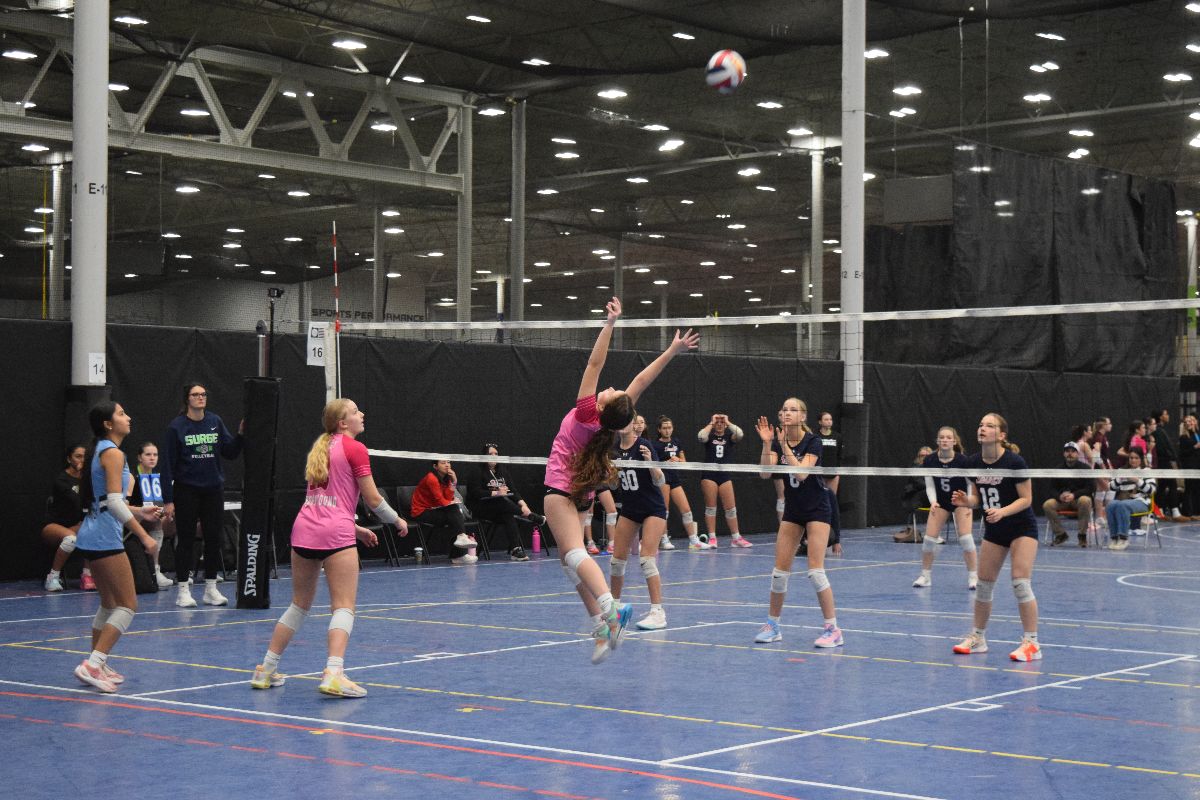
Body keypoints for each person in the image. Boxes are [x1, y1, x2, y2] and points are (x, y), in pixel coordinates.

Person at [542, 297, 698, 664]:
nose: (610, 388)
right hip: (582, 489)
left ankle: (611, 607)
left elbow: (595, 363)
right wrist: (672, 351)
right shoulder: (608, 422)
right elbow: (642, 380)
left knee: (574, 553)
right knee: (568, 560)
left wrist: (610, 323)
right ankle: (601, 626)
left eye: (611, 392)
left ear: (603, 405)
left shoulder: (587, 412)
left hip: (562, 486)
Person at [251, 398, 408, 697]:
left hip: (305, 531)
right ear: (343, 423)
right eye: (355, 411)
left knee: (298, 605)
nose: (362, 414)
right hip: (334, 535)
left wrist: (356, 529)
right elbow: (373, 499)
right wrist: (397, 520)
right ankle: (334, 673)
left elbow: (325, 502)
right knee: (343, 606)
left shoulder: (321, 446)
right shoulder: (355, 448)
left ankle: (265, 669)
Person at [72, 401, 160, 693]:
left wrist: (139, 511)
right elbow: (113, 502)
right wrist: (144, 536)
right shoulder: (112, 453)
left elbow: (108, 501)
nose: (128, 417)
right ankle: (93, 665)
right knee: (128, 605)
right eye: (121, 414)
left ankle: (98, 662)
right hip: (104, 537)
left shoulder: (102, 450)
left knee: (109, 604)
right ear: (108, 424)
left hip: (93, 533)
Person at [951, 413, 1042, 662]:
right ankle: (978, 638)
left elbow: (1026, 499)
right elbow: (978, 497)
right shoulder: (973, 462)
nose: (982, 428)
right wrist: (966, 501)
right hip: (995, 528)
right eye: (981, 424)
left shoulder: (1014, 462)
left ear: (1001, 435)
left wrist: (1002, 512)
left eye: (989, 426)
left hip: (1021, 527)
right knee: (983, 585)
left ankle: (1032, 643)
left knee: (1020, 583)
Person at [752, 397, 841, 647]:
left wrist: (784, 447)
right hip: (794, 510)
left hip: (817, 509)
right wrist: (768, 444)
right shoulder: (777, 441)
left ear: (803, 417)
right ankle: (773, 625)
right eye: (784, 409)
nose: (787, 413)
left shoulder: (813, 441)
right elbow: (765, 473)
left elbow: (802, 473)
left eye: (793, 410)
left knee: (815, 572)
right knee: (779, 574)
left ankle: (833, 629)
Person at [161, 383, 244, 608]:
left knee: (213, 539)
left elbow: (230, 452)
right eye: (195, 394)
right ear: (187, 399)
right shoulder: (176, 427)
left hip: (213, 490)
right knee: (186, 540)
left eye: (203, 394)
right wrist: (168, 500)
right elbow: (167, 466)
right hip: (186, 490)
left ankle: (211, 589)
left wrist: (240, 435)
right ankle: (183, 590)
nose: (200, 397)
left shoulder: (215, 421)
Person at [609, 419, 670, 630]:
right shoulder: (614, 450)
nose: (623, 424)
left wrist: (650, 463)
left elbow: (660, 481)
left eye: (627, 420)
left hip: (653, 508)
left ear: (634, 424)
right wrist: (609, 473)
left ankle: (658, 612)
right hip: (630, 509)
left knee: (646, 559)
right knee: (616, 561)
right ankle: (614, 610)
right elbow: (614, 485)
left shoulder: (643, 445)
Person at [912, 427, 977, 589]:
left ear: (954, 441)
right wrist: (933, 501)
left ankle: (973, 577)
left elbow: (971, 484)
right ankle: (925, 576)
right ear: (938, 441)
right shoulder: (930, 460)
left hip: (960, 501)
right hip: (941, 501)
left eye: (948, 437)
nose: (945, 440)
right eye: (942, 437)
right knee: (929, 540)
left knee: (966, 539)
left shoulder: (963, 461)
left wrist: (968, 502)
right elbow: (929, 484)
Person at [465, 443, 546, 561]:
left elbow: (513, 490)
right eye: (490, 454)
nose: (494, 456)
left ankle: (515, 550)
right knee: (501, 502)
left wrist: (524, 505)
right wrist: (496, 493)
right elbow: (475, 492)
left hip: (500, 508)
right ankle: (529, 515)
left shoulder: (502, 471)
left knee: (508, 514)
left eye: (496, 454)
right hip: (480, 507)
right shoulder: (477, 471)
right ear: (484, 456)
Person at [652, 415, 706, 551]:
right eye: (664, 428)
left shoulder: (676, 442)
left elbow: (684, 462)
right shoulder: (655, 445)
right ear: (659, 429)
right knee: (664, 510)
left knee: (686, 510)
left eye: (669, 427)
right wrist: (665, 463)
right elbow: (653, 464)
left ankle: (693, 540)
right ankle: (664, 539)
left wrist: (678, 460)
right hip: (663, 479)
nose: (667, 430)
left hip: (675, 479)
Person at [697, 413, 751, 548]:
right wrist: (711, 422)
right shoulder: (709, 436)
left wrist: (728, 421)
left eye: (722, 422)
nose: (720, 424)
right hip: (709, 474)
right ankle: (712, 538)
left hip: (724, 474)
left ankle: (736, 538)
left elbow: (740, 434)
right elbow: (701, 437)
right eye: (718, 422)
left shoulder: (729, 437)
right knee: (711, 508)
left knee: (731, 508)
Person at [412, 460, 478, 564]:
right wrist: (451, 502)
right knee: (454, 514)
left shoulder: (447, 478)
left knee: (454, 515)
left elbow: (447, 497)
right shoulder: (431, 478)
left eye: (448, 462)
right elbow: (440, 500)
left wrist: (454, 481)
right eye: (443, 463)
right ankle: (459, 554)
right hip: (421, 512)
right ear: (435, 466)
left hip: (435, 509)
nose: (447, 465)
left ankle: (460, 544)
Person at [129, 441, 174, 589]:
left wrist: (166, 512)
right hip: (131, 518)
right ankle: (155, 570)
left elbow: (159, 504)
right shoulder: (132, 477)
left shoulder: (157, 478)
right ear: (139, 457)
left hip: (151, 517)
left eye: (155, 454)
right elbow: (125, 504)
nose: (152, 458)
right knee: (156, 521)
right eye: (148, 454)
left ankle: (182, 571)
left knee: (174, 520)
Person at [42, 444, 87, 592]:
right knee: (70, 539)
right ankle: (53, 577)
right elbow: (77, 502)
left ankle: (87, 575)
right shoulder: (61, 480)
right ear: (69, 459)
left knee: (94, 532)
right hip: (53, 526)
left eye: (84, 457)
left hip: (74, 525)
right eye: (78, 456)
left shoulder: (87, 479)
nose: (82, 460)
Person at [1042, 442, 1095, 547]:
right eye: (1067, 451)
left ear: (1078, 454)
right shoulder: (1058, 469)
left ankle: (1082, 535)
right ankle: (1061, 534)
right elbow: (1052, 489)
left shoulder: (1085, 468)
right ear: (1064, 454)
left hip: (1078, 500)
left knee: (1085, 500)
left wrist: (1074, 495)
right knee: (1047, 504)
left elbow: (1091, 488)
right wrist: (1059, 496)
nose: (1070, 454)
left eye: (1073, 451)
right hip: (1062, 501)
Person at [1106, 447, 1156, 551]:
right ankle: (1114, 538)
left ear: (1141, 459)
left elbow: (1152, 490)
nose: (1133, 460)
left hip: (1142, 502)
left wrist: (1137, 481)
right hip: (1123, 500)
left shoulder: (1146, 471)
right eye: (1131, 458)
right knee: (1111, 505)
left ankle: (1123, 538)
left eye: (1136, 458)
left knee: (1122, 505)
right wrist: (1119, 479)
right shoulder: (1122, 470)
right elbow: (1110, 487)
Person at [1151, 408, 1184, 520]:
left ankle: (1159, 511)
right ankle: (1175, 512)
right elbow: (1162, 448)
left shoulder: (1161, 430)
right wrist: (1171, 457)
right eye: (1166, 414)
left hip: (1164, 462)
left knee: (1162, 486)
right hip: (1163, 462)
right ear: (1160, 417)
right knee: (1173, 485)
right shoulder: (1158, 431)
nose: (1168, 416)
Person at [895, 445, 933, 543]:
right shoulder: (915, 468)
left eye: (927, 456)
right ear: (918, 456)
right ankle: (932, 534)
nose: (924, 458)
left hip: (932, 498)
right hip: (917, 498)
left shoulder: (935, 468)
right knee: (932, 492)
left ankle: (934, 533)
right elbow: (920, 483)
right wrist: (933, 488)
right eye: (922, 456)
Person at [1179, 415, 1200, 519]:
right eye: (1187, 421)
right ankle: (1188, 512)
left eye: (1191, 420)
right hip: (1190, 465)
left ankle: (1196, 512)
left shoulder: (1197, 434)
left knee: (1197, 488)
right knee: (1190, 488)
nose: (1190, 422)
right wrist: (1194, 447)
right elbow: (1182, 453)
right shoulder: (1184, 437)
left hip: (1198, 464)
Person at [817, 412, 842, 496]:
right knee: (819, 497)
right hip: (818, 472)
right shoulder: (815, 436)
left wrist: (837, 472)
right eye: (826, 419)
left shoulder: (837, 436)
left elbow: (839, 454)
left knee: (831, 498)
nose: (829, 421)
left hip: (833, 473)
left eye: (830, 419)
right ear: (820, 422)